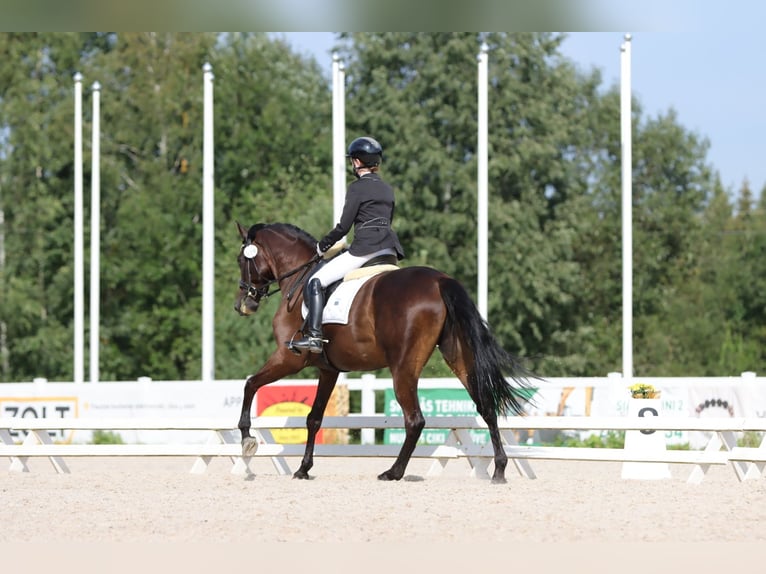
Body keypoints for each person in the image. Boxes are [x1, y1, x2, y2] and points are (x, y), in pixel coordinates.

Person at [290, 136, 405, 354]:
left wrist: (321, 246)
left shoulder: (357, 188)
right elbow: (385, 222)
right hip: (389, 252)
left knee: (316, 280)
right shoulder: (387, 189)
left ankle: (314, 336)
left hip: (364, 251)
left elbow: (343, 227)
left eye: (353, 160)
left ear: (358, 162)